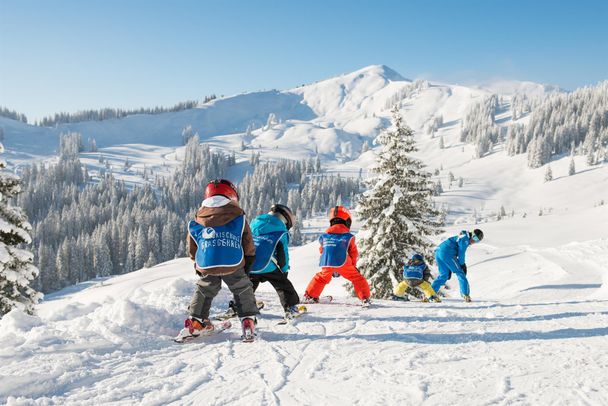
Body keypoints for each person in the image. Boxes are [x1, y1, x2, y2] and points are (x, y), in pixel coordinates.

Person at [175, 179, 259, 341]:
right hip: (233, 261)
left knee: (204, 289)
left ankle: (196, 322)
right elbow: (248, 242)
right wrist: (249, 260)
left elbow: (193, 245)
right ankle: (248, 320)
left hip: (207, 261)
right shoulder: (238, 216)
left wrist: (197, 262)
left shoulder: (199, 218)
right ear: (232, 195)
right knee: (242, 288)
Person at [303, 206, 371, 306]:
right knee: (357, 278)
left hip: (326, 262)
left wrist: (329, 263)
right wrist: (353, 266)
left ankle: (310, 296)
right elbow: (353, 253)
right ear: (347, 221)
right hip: (344, 262)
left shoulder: (324, 236)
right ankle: (365, 298)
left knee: (321, 278)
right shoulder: (349, 237)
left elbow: (322, 250)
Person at [248, 204, 301, 319]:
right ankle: (291, 308)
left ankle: (238, 306)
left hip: (250, 264)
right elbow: (283, 254)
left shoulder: (254, 224)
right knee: (283, 286)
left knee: (247, 286)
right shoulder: (281, 230)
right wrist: (284, 270)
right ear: (285, 219)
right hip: (268, 265)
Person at [431, 229, 484, 302]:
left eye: (477, 240)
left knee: (444, 275)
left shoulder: (463, 237)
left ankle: (430, 294)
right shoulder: (465, 239)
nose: (474, 241)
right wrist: (462, 265)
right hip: (447, 253)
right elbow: (461, 253)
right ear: (472, 234)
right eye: (475, 238)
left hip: (438, 252)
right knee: (460, 273)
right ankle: (465, 294)